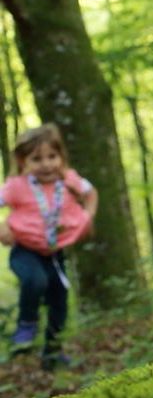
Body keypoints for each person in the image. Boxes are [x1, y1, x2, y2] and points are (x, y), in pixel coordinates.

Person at [0, 124, 98, 370]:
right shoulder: (16, 185)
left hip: (55, 253)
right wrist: (1, 228)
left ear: (61, 157)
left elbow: (91, 193)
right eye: (36, 159)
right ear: (24, 162)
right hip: (25, 251)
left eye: (52, 157)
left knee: (59, 300)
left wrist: (87, 217)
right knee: (36, 281)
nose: (46, 164)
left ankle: (52, 352)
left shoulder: (68, 180)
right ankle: (26, 325)